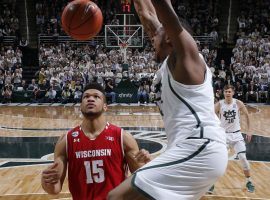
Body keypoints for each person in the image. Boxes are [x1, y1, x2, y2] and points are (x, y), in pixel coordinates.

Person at [108, 0, 228, 199]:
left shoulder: (187, 57)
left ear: (171, 37)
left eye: (157, 34)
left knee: (117, 197)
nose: (152, 37)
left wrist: (165, 20)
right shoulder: (170, 60)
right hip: (191, 149)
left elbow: (164, 11)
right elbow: (147, 15)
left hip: (200, 146)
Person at [41, 83, 151, 200]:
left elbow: (143, 181)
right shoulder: (66, 140)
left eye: (96, 97)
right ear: (80, 106)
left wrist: (148, 165)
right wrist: (46, 182)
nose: (90, 99)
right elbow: (55, 189)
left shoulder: (122, 138)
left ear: (105, 106)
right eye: (86, 96)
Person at [213, 85, 255, 193]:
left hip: (236, 135)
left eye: (229, 91)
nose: (227, 93)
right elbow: (210, 116)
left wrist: (250, 130)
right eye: (226, 91)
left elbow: (247, 115)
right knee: (217, 160)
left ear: (233, 93)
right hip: (223, 135)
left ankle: (249, 181)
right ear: (223, 93)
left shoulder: (238, 103)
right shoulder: (219, 104)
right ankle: (210, 184)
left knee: (243, 158)